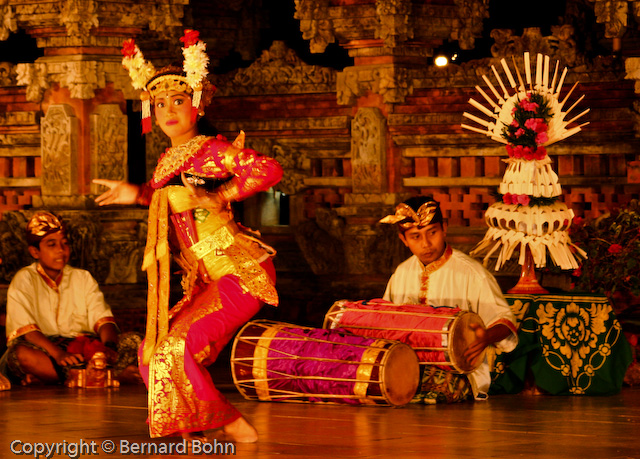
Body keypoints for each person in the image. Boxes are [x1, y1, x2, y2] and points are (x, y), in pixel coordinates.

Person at [93, 30, 282, 443]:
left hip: (237, 270)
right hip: (203, 278)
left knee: (176, 346)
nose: (168, 110)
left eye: (178, 101)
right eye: (159, 104)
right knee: (148, 353)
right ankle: (192, 432)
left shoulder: (210, 149)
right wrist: (138, 194)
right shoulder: (167, 159)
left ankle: (232, 424)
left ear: (196, 104)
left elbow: (267, 170)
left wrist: (222, 194)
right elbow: (170, 200)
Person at [379, 196, 518, 403]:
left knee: (424, 387)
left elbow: (505, 320)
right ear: (404, 240)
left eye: (432, 233)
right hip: (406, 366)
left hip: (461, 371)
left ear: (444, 228)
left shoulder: (471, 273)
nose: (426, 244)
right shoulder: (401, 274)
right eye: (416, 237)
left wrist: (485, 337)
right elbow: (383, 321)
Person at [0, 211, 140, 386]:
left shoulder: (83, 277)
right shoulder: (24, 278)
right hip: (46, 349)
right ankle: (109, 376)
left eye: (64, 244)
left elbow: (104, 321)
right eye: (52, 244)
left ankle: (65, 377)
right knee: (20, 355)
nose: (61, 250)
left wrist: (108, 348)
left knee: (135, 341)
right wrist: (58, 354)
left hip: (85, 348)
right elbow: (27, 332)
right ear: (35, 252)